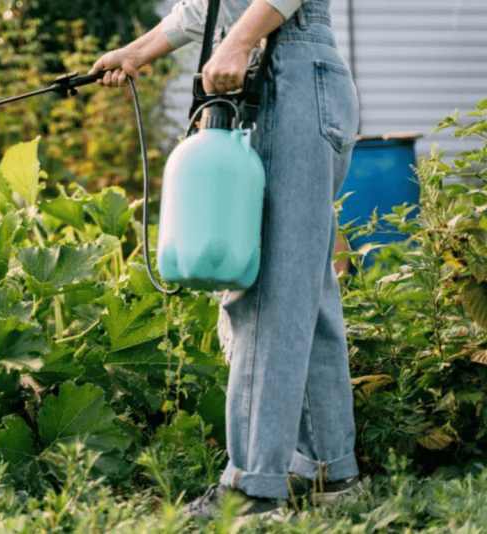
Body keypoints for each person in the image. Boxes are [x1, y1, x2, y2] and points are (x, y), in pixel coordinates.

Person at [89, 0, 362, 522]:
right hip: (302, 73)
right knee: (306, 283)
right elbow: (211, 5)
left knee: (267, 288)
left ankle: (253, 487)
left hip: (289, 70)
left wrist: (238, 41)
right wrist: (136, 52)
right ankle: (332, 470)